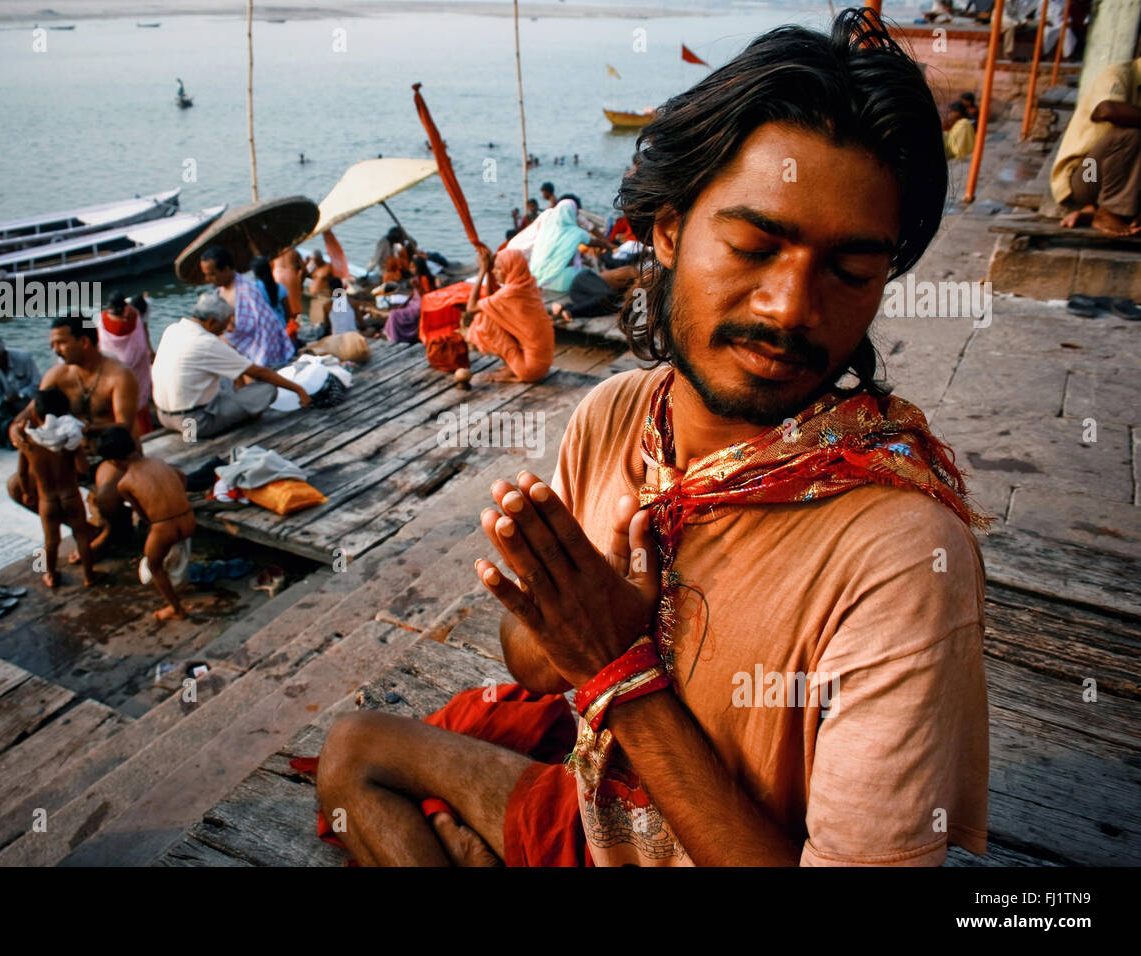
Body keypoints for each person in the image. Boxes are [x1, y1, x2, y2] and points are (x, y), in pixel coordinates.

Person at [315, 11, 989, 867]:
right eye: (754, 245)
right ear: (668, 231)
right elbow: (532, 666)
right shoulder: (617, 417)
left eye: (851, 272)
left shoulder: (899, 559)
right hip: (598, 818)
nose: (791, 308)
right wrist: (565, 611)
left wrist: (621, 672)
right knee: (352, 750)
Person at [6, 315, 141, 557]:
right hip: (72, 453)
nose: (54, 349)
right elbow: (30, 411)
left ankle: (115, 533)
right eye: (53, 344)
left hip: (111, 453)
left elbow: (124, 425)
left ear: (84, 342)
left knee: (107, 495)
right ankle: (88, 532)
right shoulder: (57, 375)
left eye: (61, 343)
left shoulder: (119, 375)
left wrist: (82, 428)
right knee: (17, 486)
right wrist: (15, 428)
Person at [152, 292, 309, 440]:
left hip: (164, 417)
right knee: (267, 389)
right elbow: (259, 373)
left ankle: (237, 405)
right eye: (225, 324)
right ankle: (243, 414)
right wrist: (299, 390)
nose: (227, 330)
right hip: (194, 423)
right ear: (212, 322)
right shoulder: (207, 343)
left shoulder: (172, 329)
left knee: (227, 374)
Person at [96, 426, 195, 621]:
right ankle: (180, 582)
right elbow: (182, 477)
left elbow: (142, 514)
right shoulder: (159, 462)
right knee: (175, 554)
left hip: (165, 529)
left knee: (154, 566)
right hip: (189, 519)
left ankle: (176, 608)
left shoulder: (124, 483)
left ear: (113, 461)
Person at [13, 388, 99, 589]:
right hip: (70, 496)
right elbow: (83, 468)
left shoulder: (29, 443)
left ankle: (50, 574)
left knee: (51, 541)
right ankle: (89, 575)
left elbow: (22, 473)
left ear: (35, 415)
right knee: (81, 536)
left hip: (47, 500)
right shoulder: (69, 440)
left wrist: (27, 492)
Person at [1054, 57, 1141, 236]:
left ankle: (1096, 210)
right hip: (1087, 173)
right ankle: (1109, 211)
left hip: (1119, 183)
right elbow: (1106, 110)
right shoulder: (1118, 74)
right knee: (1131, 135)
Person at [460, 247, 554, 384]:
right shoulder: (528, 284)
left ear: (511, 269)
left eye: (498, 268)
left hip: (531, 369)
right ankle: (513, 366)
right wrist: (489, 267)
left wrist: (482, 271)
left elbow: (471, 307)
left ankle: (516, 371)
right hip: (543, 364)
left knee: (483, 320)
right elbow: (490, 302)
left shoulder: (510, 293)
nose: (493, 271)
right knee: (490, 313)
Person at [199, 245, 296, 369]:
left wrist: (225, 335)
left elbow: (263, 328)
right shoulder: (220, 291)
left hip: (258, 354)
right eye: (206, 275)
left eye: (212, 274)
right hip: (236, 351)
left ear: (226, 269)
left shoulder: (247, 292)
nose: (208, 279)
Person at [98, 292, 155, 435]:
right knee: (138, 402)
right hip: (132, 365)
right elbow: (144, 332)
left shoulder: (102, 318)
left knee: (122, 403)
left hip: (116, 367)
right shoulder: (134, 315)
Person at [0, 338, 40, 447]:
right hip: (6, 407)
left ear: (5, 354)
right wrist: (0, 415)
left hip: (27, 404)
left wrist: (20, 395)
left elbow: (37, 384)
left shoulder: (24, 358)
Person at [273, 246, 308, 326]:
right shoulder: (294, 251)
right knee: (293, 307)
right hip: (291, 274)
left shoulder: (274, 251)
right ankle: (292, 327)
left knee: (280, 305)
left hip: (277, 275)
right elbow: (304, 270)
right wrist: (301, 283)